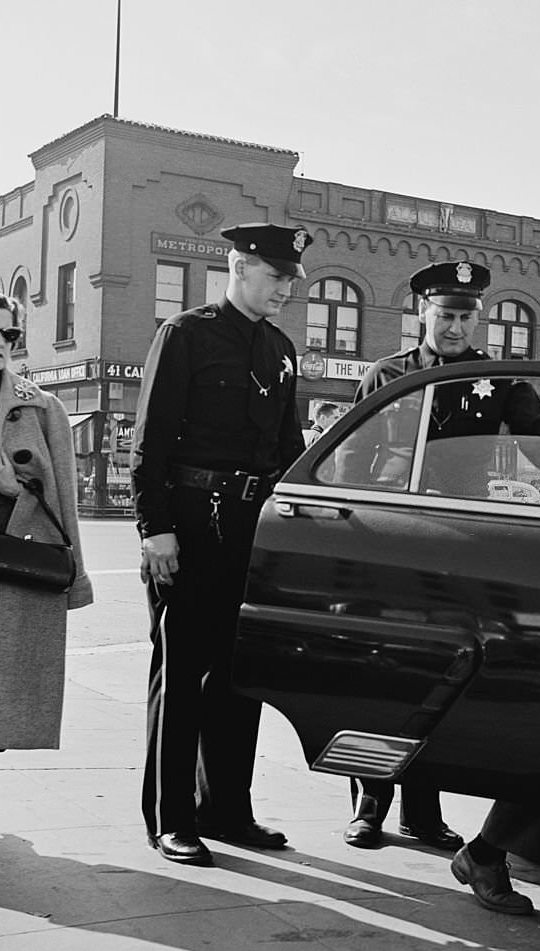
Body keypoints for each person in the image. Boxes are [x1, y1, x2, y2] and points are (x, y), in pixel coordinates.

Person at [338, 260, 540, 919]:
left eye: (468, 316)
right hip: (390, 540)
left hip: (453, 546)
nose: (458, 325)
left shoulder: (496, 381)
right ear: (424, 316)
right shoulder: (388, 376)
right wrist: (349, 533)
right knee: (386, 678)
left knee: (439, 680)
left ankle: (424, 812)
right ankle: (371, 802)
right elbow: (352, 458)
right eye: (446, 315)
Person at [131, 222, 312, 865]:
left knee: (240, 679)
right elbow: (150, 441)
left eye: (291, 279)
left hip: (250, 528)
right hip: (189, 522)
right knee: (182, 674)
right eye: (275, 276)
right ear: (237, 266)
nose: (286, 289)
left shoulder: (282, 349)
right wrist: (155, 529)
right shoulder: (186, 334)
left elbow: (287, 449)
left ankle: (228, 810)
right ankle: (172, 816)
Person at [0, 291, 93, 875]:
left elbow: (61, 500)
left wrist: (16, 491)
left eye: (10, 337)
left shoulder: (42, 409)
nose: (0, 345)